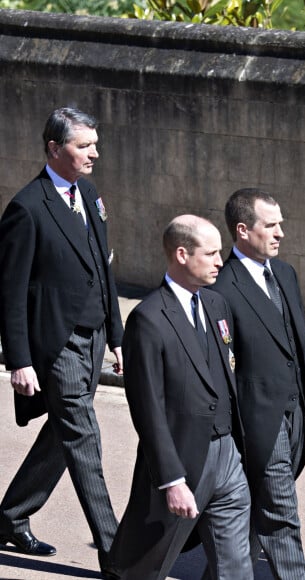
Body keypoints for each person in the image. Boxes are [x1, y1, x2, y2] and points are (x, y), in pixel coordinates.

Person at [0, 107, 123, 579]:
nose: (94, 153)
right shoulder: (27, 208)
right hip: (58, 345)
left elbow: (103, 267)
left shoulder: (88, 193)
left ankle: (10, 515)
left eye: (94, 144)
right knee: (85, 440)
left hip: (93, 339)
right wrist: (20, 360)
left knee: (64, 434)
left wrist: (115, 334)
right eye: (83, 145)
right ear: (55, 149)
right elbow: (9, 294)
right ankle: (116, 556)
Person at [109, 215, 252, 580]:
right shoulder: (149, 318)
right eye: (212, 253)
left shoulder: (217, 305)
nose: (221, 261)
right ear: (182, 254)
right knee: (147, 563)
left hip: (227, 456)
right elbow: (148, 409)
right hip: (183, 459)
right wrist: (172, 480)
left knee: (235, 566)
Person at [212, 188, 305, 579]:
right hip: (259, 419)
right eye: (271, 225)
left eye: (281, 225)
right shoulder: (222, 288)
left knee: (257, 508)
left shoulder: (285, 274)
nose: (280, 233)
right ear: (242, 230)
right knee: (281, 512)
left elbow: (301, 343)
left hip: (295, 413)